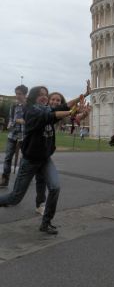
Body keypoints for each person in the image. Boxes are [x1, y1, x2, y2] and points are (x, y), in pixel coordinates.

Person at [0, 86, 90, 234]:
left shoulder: (45, 108)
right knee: (14, 198)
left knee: (55, 187)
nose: (45, 97)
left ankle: (46, 223)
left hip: (45, 159)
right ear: (34, 96)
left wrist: (84, 94)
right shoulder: (31, 111)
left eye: (46, 95)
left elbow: (62, 106)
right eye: (41, 95)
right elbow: (51, 116)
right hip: (30, 160)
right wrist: (73, 112)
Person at [35, 83, 91, 216]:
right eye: (53, 99)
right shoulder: (42, 110)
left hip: (44, 153)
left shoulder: (57, 113)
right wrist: (81, 100)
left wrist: (83, 114)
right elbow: (67, 111)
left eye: (58, 100)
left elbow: (72, 118)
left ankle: (40, 205)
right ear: (48, 100)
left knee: (42, 180)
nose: (55, 101)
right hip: (32, 152)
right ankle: (37, 203)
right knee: (18, 193)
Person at [0, 85, 28, 188]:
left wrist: (19, 121)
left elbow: (30, 121)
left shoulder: (29, 107)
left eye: (19, 94)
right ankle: (5, 179)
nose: (17, 96)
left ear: (25, 94)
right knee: (8, 157)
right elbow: (11, 119)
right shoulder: (14, 106)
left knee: (24, 158)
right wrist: (10, 124)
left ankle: (22, 180)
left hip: (25, 136)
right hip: (13, 135)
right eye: (16, 93)